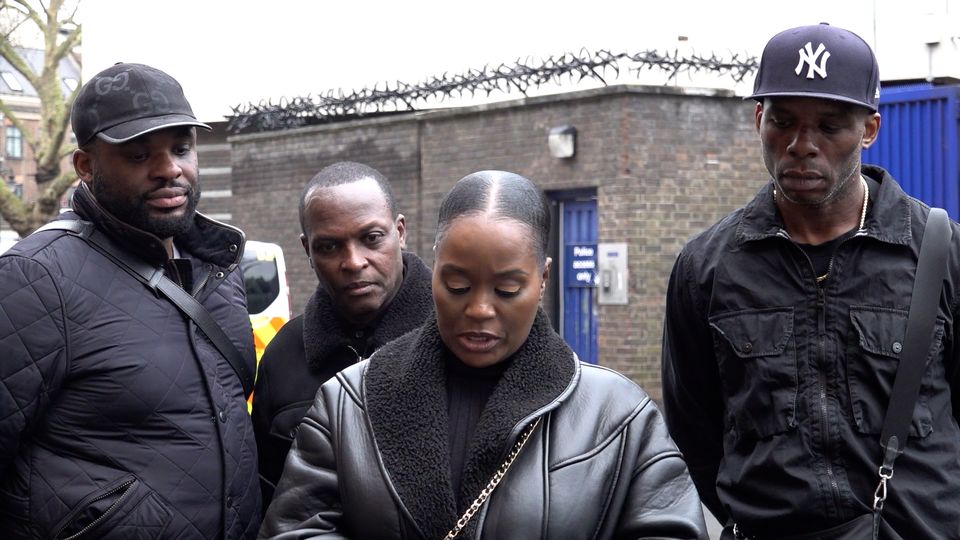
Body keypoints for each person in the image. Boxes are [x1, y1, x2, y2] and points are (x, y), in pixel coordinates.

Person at [260, 170, 708, 539]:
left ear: (544, 278)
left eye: (507, 288)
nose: (478, 309)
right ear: (433, 267)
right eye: (456, 285)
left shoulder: (619, 415)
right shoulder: (345, 403)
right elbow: (295, 529)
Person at [661, 23, 960, 539]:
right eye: (783, 122)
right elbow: (695, 431)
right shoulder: (707, 268)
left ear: (868, 130)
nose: (802, 145)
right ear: (759, 119)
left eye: (829, 125)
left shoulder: (941, 252)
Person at [0, 63, 261, 538]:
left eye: (181, 149)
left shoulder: (218, 268)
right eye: (140, 155)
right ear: (85, 167)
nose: (169, 169)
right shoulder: (35, 278)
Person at [251, 161, 433, 509]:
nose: (353, 262)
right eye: (329, 247)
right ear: (307, 250)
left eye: (371, 238)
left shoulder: (460, 338)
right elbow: (266, 494)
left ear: (400, 231)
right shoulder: (283, 355)